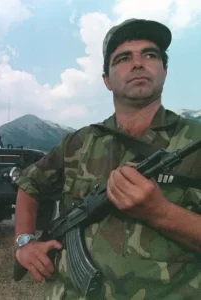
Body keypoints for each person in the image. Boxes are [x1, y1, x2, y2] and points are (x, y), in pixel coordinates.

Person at [14, 18, 201, 299]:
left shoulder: (194, 141)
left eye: (150, 54)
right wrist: (24, 241)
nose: (138, 63)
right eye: (123, 58)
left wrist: (159, 212)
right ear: (106, 81)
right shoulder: (78, 142)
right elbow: (29, 184)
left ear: (165, 70)